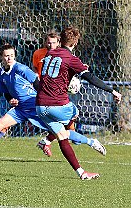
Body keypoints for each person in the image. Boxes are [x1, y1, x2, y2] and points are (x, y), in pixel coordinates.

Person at [0, 43, 105, 163]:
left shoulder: (21, 69)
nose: (9, 58)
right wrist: (10, 100)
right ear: (1, 57)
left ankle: (91, 142)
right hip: (20, 109)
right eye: (6, 56)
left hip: (34, 106)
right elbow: (6, 92)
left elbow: (38, 84)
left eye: (12, 55)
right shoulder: (1, 73)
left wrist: (45, 99)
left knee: (62, 133)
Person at [36, 26, 122, 180]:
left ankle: (81, 173)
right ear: (75, 44)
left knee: (62, 136)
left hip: (40, 105)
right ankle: (86, 141)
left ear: (60, 41)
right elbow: (91, 78)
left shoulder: (49, 54)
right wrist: (111, 91)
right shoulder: (71, 59)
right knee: (74, 113)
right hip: (58, 105)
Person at [33, 30, 77, 157]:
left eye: (53, 42)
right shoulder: (38, 53)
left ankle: (47, 141)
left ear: (59, 43)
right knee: (66, 120)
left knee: (68, 120)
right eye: (48, 42)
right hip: (43, 91)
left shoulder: (62, 55)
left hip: (58, 91)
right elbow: (35, 68)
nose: (50, 45)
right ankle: (49, 140)